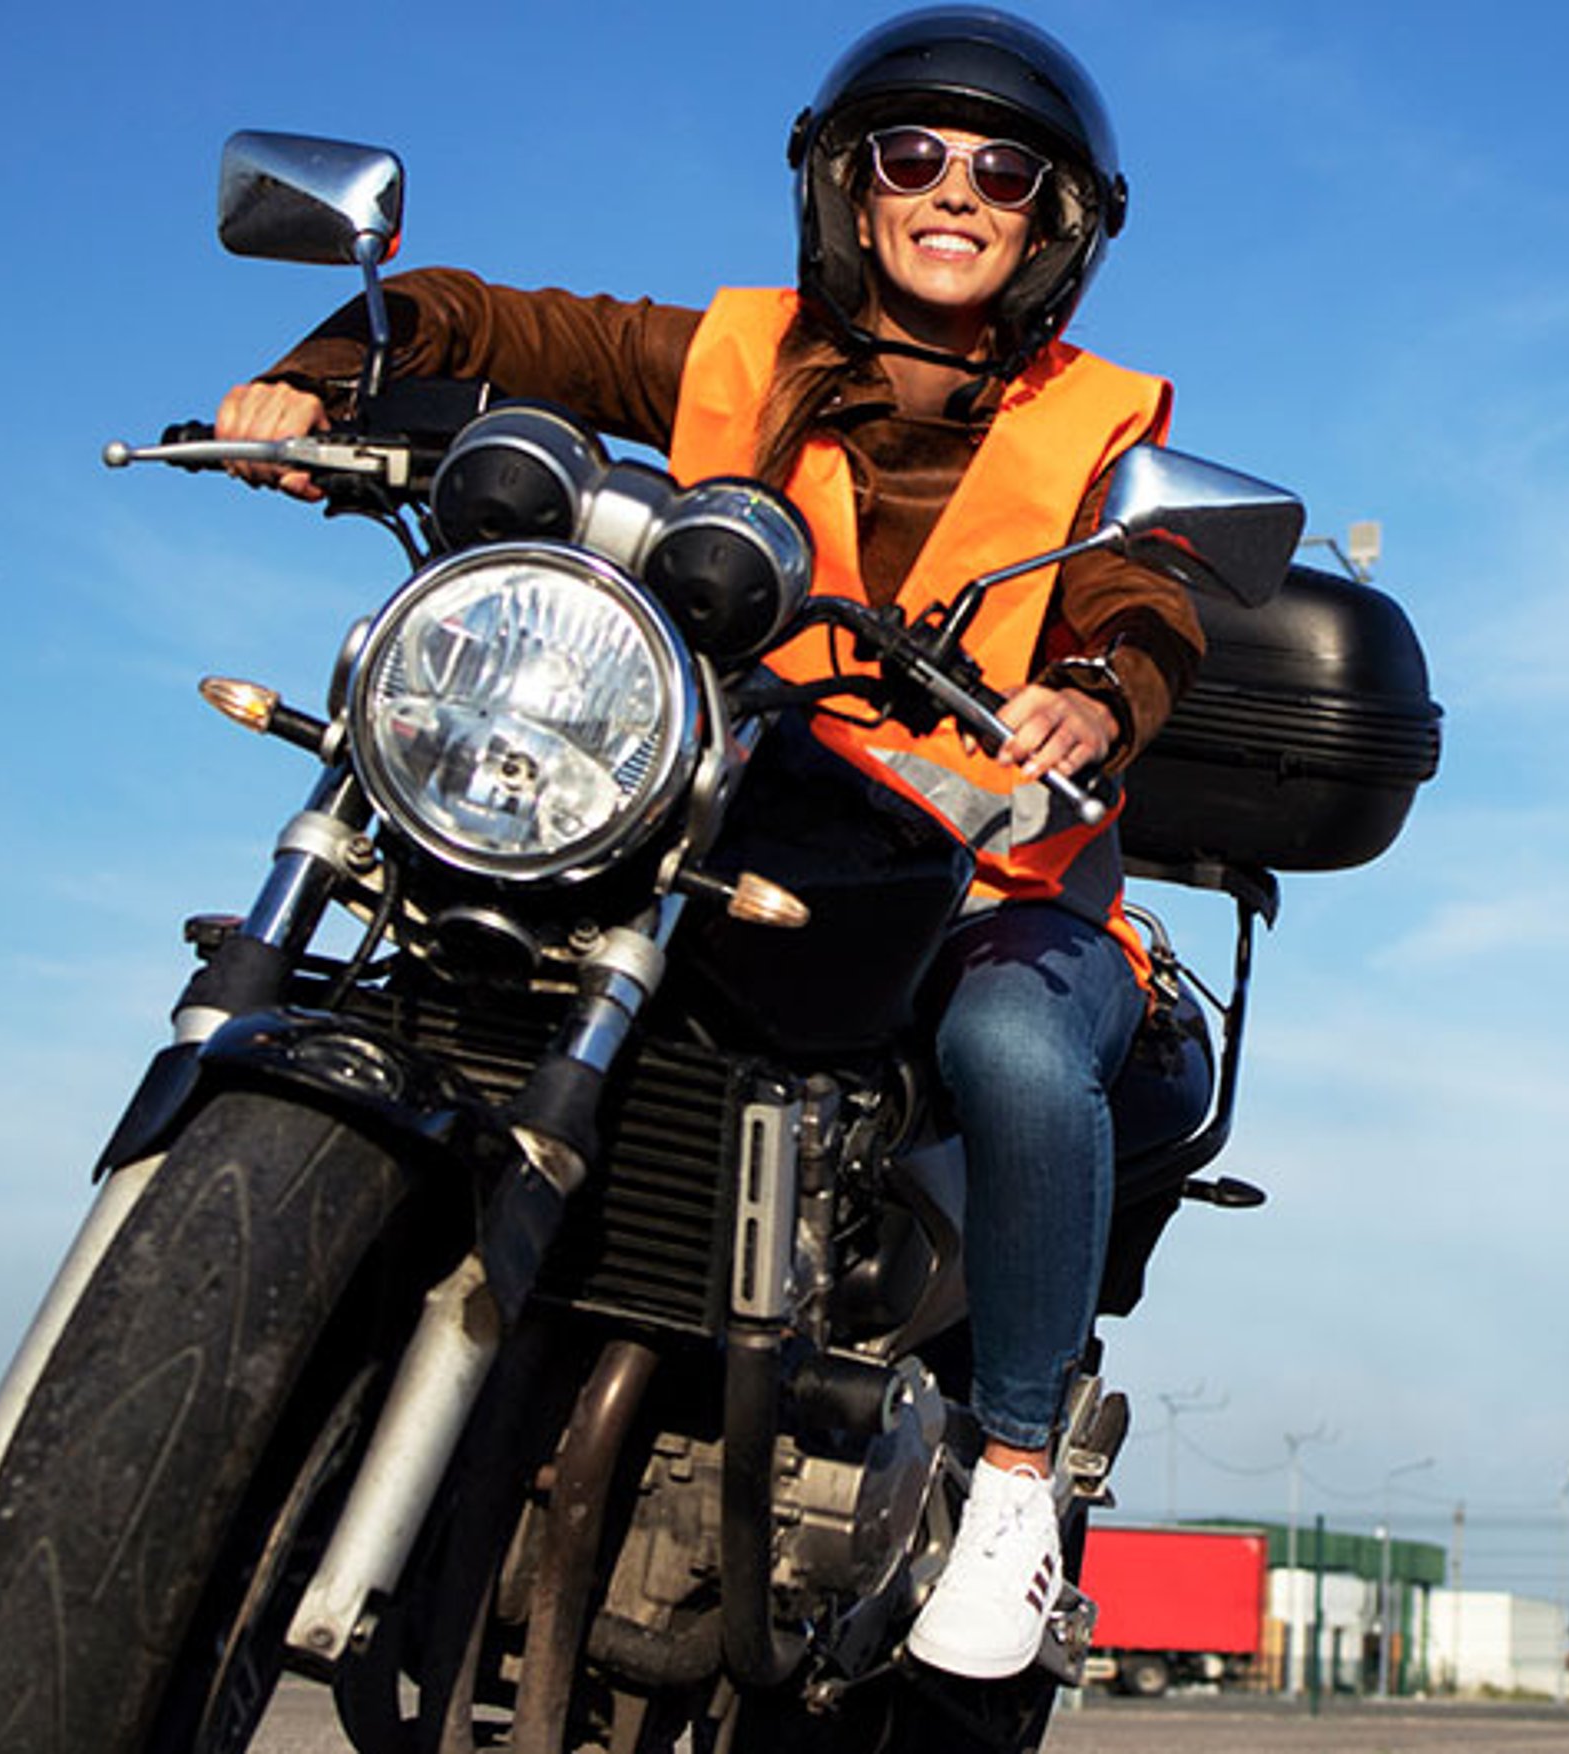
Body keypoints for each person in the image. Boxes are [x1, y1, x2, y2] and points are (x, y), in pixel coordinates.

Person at [212, 6, 1196, 1682]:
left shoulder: (1097, 426)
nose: (954, 189)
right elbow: (485, 319)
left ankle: (1015, 1488)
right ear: (846, 186)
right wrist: (322, 374)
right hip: (716, 827)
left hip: (981, 890)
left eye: (1003, 169)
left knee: (1017, 1049)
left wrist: (1101, 692)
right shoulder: (735, 350)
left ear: (1056, 222)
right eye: (913, 154)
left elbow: (1139, 586)